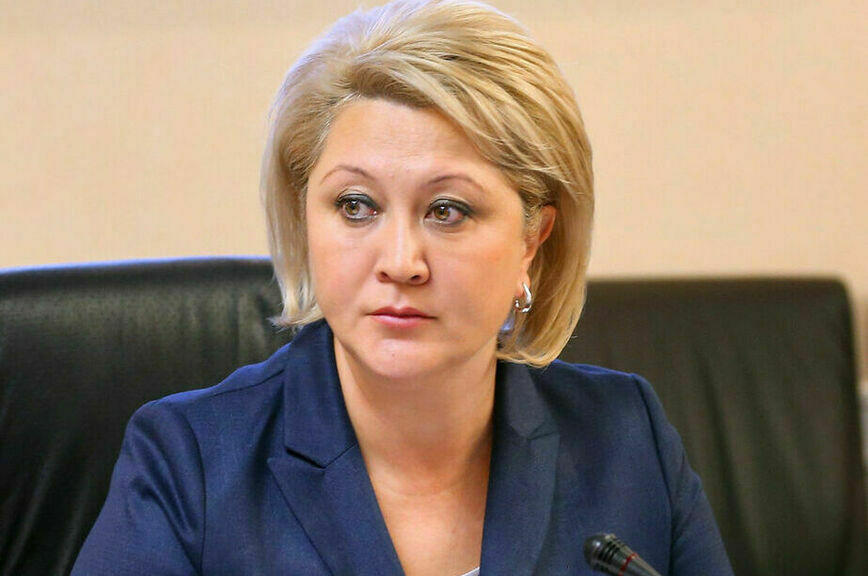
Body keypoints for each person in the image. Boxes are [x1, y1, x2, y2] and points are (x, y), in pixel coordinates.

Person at [72, 1, 734, 574]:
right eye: (356, 205)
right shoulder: (191, 460)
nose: (400, 262)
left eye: (448, 210)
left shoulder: (625, 437)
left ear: (532, 241)